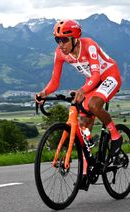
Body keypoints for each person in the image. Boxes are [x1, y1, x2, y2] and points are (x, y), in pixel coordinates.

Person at [35, 19, 123, 184]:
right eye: (57, 40)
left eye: (64, 40)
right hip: (93, 83)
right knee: (83, 125)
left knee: (93, 105)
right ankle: (85, 172)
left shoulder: (88, 45)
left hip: (110, 76)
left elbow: (96, 75)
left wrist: (82, 90)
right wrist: (44, 93)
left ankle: (116, 135)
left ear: (75, 39)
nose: (61, 44)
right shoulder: (60, 53)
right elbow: (55, 82)